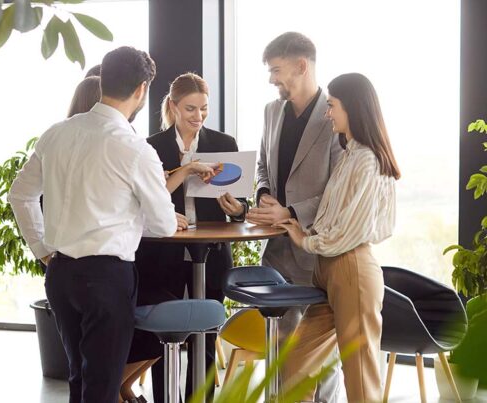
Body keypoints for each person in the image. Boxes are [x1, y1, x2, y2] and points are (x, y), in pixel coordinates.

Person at [9, 46, 183, 403]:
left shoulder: (56, 133)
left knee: (80, 379)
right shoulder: (135, 149)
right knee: (102, 388)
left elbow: (20, 196)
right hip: (107, 278)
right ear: (142, 90)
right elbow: (164, 224)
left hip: (60, 274)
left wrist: (42, 249)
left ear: (103, 81)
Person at [276, 72, 399, 402]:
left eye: (332, 106)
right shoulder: (349, 155)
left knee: (359, 377)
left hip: (351, 270)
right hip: (328, 271)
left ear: (353, 108)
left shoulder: (368, 161)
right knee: (295, 364)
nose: (328, 113)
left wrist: (305, 240)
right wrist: (302, 229)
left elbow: (351, 230)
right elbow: (334, 219)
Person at [123, 73, 246, 403]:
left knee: (206, 337)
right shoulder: (150, 147)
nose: (198, 116)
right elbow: (144, 202)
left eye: (204, 109)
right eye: (190, 109)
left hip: (212, 252)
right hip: (162, 254)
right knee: (167, 338)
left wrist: (235, 209)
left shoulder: (224, 144)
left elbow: (241, 202)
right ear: (174, 107)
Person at [246, 32, 343, 402]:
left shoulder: (334, 114)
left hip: (317, 252)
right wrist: (264, 195)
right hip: (275, 250)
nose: (271, 79)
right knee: (280, 348)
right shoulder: (272, 111)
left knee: (322, 356)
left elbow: (339, 188)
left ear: (302, 66)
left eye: (276, 70)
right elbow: (262, 165)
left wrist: (290, 213)